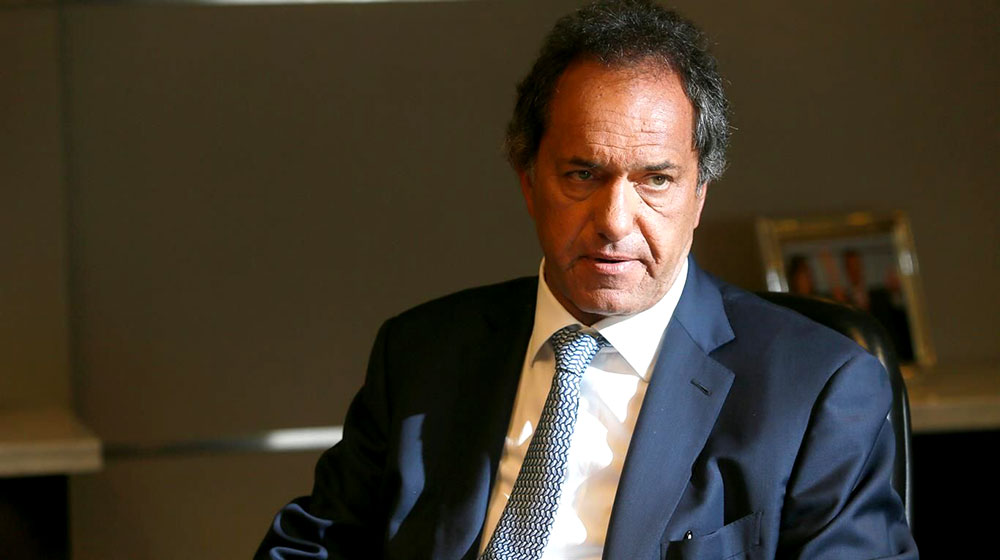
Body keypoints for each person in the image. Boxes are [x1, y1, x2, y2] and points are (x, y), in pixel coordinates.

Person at [255, 1, 916, 558]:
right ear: (528, 182)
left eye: (656, 179)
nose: (614, 222)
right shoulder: (421, 354)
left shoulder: (816, 390)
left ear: (699, 195)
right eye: (582, 175)